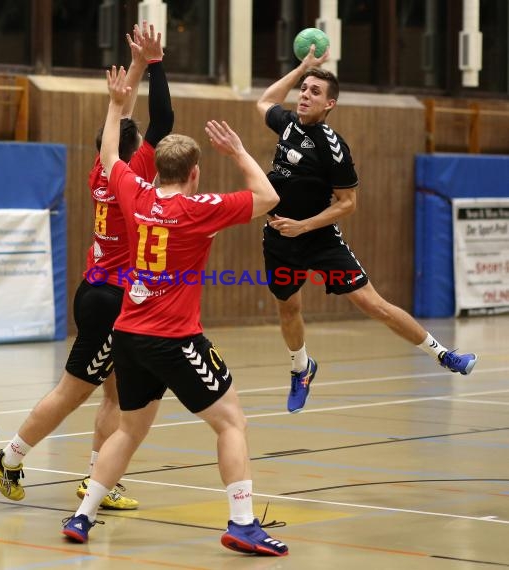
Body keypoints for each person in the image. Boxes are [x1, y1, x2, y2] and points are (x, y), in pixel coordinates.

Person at [61, 65, 288, 557]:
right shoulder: (199, 208)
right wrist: (241, 151)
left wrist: (117, 103)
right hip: (174, 338)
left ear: (154, 167)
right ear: (194, 173)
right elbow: (270, 197)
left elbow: (107, 154)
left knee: (130, 427)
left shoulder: (133, 193)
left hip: (127, 333)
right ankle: (244, 524)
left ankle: (82, 515)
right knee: (231, 422)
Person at [0, 23, 174, 509]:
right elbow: (162, 118)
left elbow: (122, 116)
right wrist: (155, 64)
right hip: (111, 299)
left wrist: (133, 68)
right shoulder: (134, 173)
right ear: (138, 155)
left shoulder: (102, 166)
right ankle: (7, 458)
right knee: (73, 391)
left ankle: (98, 482)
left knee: (115, 394)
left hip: (97, 290)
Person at [256, 46, 477, 414]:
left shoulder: (333, 148)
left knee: (373, 305)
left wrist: (304, 226)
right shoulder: (287, 123)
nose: (305, 95)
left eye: (314, 91)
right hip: (279, 238)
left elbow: (348, 204)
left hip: (319, 238)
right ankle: (301, 368)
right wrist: (302, 68)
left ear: (330, 105)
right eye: (304, 89)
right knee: (288, 308)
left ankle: (443, 355)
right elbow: (265, 100)